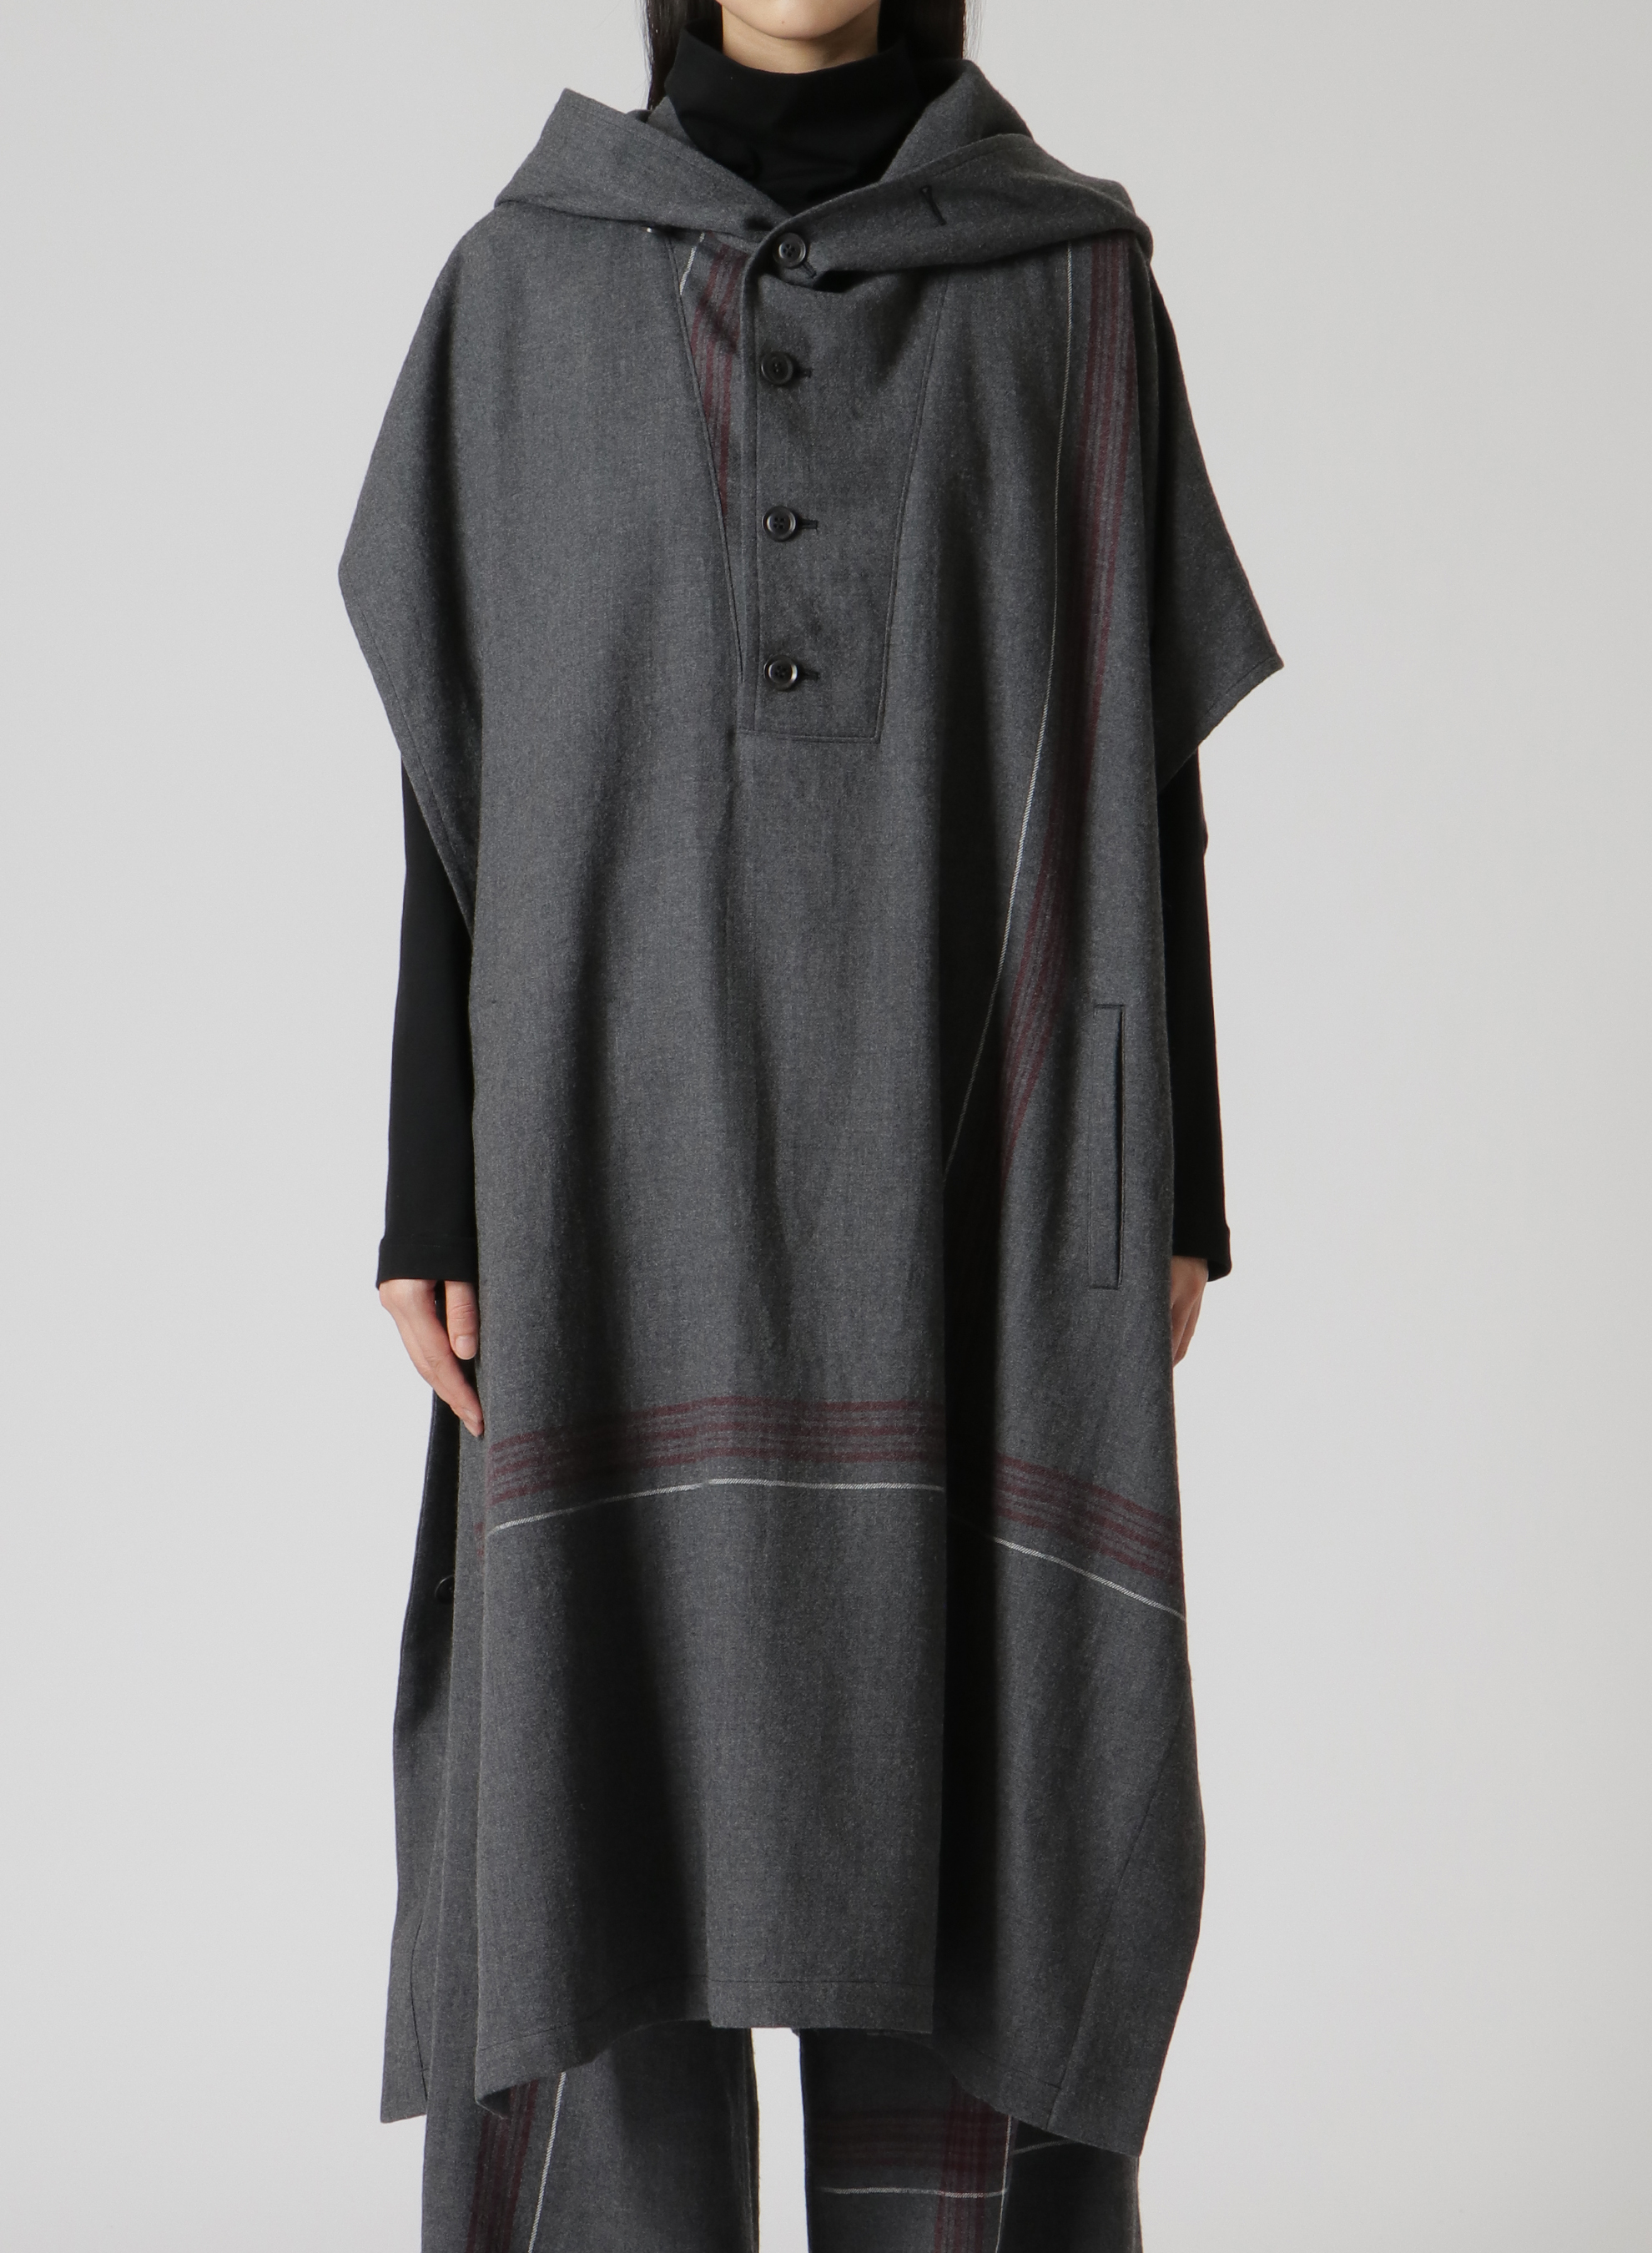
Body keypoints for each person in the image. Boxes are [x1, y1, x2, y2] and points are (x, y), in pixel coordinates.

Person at [341, 3, 1279, 2245]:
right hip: (599, 1172)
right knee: (592, 1847)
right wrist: (429, 1184)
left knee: (981, 1842)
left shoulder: (1070, 288)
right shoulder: (523, 285)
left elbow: (1141, 761)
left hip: (980, 1188)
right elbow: (453, 777)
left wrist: (1180, 1174)